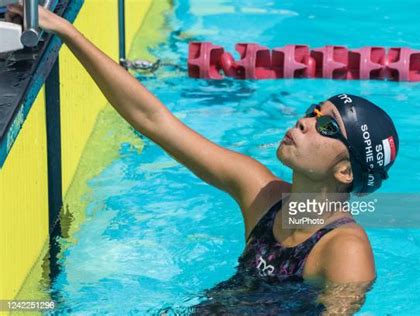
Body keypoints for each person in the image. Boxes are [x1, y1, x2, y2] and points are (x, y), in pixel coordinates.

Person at [6, 4, 399, 315]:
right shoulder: (261, 194)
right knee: (22, 306)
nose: (305, 122)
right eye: (313, 111)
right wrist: (68, 31)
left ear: (345, 170)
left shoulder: (345, 250)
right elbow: (153, 120)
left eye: (327, 128)